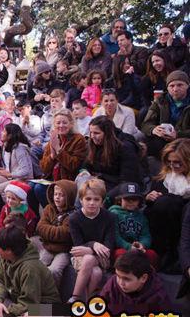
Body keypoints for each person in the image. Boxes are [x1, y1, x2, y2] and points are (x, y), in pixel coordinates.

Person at [144, 138, 190, 272]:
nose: (172, 166)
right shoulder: (164, 177)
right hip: (164, 229)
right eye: (169, 162)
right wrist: (149, 197)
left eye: (177, 163)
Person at [68, 178, 116, 303]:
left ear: (102, 201)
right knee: (96, 273)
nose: (92, 203)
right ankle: (88, 302)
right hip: (80, 257)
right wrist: (94, 245)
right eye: (88, 199)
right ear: (81, 200)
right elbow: (78, 246)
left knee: (89, 259)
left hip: (103, 256)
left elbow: (109, 246)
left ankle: (75, 298)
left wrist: (89, 248)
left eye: (96, 199)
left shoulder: (109, 217)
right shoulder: (74, 218)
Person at [31, 109, 87, 214]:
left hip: (69, 179)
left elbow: (73, 165)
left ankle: (56, 213)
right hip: (52, 178)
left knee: (39, 189)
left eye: (64, 122)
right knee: (30, 187)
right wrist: (52, 156)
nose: (61, 125)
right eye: (58, 123)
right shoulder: (53, 139)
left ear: (71, 124)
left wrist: (58, 150)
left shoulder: (79, 139)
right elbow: (43, 168)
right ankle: (36, 219)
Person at [80, 116, 142, 194]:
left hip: (116, 187)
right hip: (97, 183)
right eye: (91, 132)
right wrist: (84, 172)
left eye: (96, 133)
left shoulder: (125, 147)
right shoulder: (93, 144)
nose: (92, 136)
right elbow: (86, 165)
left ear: (107, 133)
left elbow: (128, 178)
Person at [100, 250, 171, 315]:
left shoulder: (158, 295)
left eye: (126, 279)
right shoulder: (112, 283)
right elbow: (98, 308)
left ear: (143, 278)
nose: (121, 283)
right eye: (118, 276)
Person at [109, 182, 158, 268]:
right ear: (120, 200)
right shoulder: (113, 214)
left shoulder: (141, 216)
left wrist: (142, 245)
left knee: (152, 255)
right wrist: (128, 247)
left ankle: (143, 274)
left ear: (139, 201)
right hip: (122, 248)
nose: (131, 202)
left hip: (137, 248)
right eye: (127, 199)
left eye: (134, 199)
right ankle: (131, 272)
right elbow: (115, 236)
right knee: (120, 254)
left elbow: (146, 235)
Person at [142, 70, 190, 156]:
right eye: (172, 86)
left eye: (180, 85)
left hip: (185, 140)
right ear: (167, 88)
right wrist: (154, 129)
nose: (175, 89)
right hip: (163, 140)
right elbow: (146, 124)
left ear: (187, 85)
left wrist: (178, 135)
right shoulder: (160, 101)